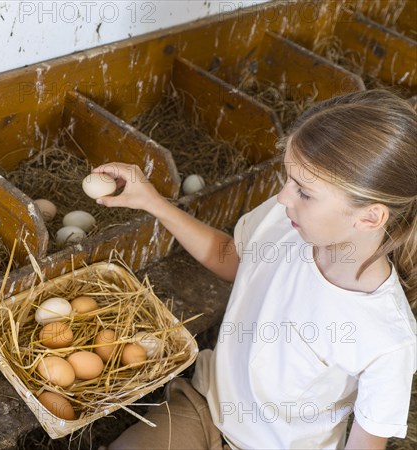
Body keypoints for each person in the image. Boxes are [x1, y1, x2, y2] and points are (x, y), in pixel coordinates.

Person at [93, 89, 417, 449]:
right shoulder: (285, 220)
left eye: (304, 192)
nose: (283, 197)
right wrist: (152, 202)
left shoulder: (388, 339)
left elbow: (365, 444)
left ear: (370, 216)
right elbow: (228, 257)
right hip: (204, 409)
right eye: (288, 180)